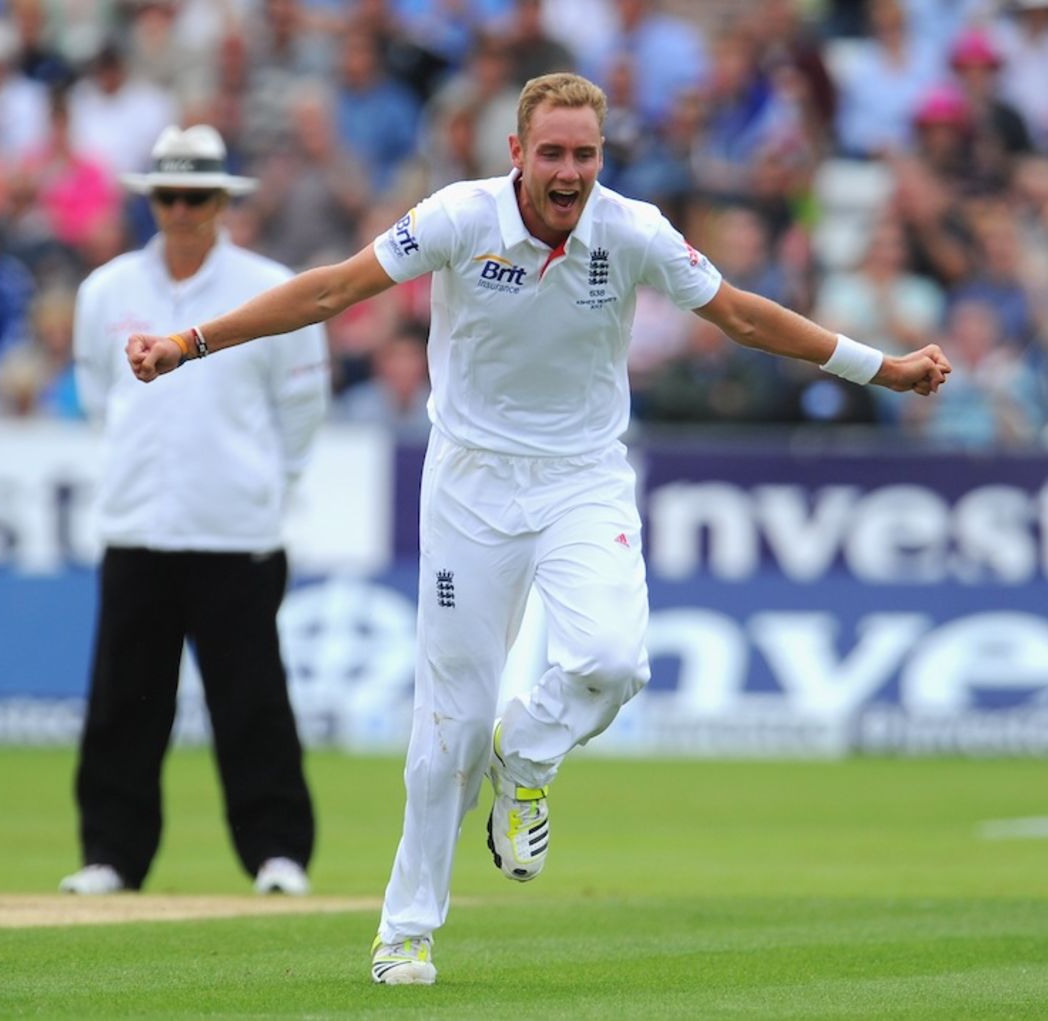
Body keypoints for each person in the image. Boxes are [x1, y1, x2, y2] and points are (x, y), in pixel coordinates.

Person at [124, 73, 951, 982]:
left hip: (583, 479)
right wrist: (189, 342)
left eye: (585, 154)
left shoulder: (631, 231)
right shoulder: (458, 217)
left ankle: (528, 757)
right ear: (516, 154)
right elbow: (330, 292)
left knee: (612, 661)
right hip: (469, 487)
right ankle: (406, 928)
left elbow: (742, 316)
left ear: (603, 157)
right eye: (552, 153)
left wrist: (884, 368)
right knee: (450, 725)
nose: (569, 172)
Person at [59, 124, 329, 898]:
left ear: (222, 201)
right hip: (137, 524)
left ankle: (278, 853)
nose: (181, 210)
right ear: (153, 200)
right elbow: (94, 396)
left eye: (196, 197)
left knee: (250, 700)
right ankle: (111, 855)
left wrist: (265, 482)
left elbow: (302, 406)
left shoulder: (266, 282)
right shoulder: (106, 290)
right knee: (124, 700)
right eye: (168, 196)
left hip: (235, 528)